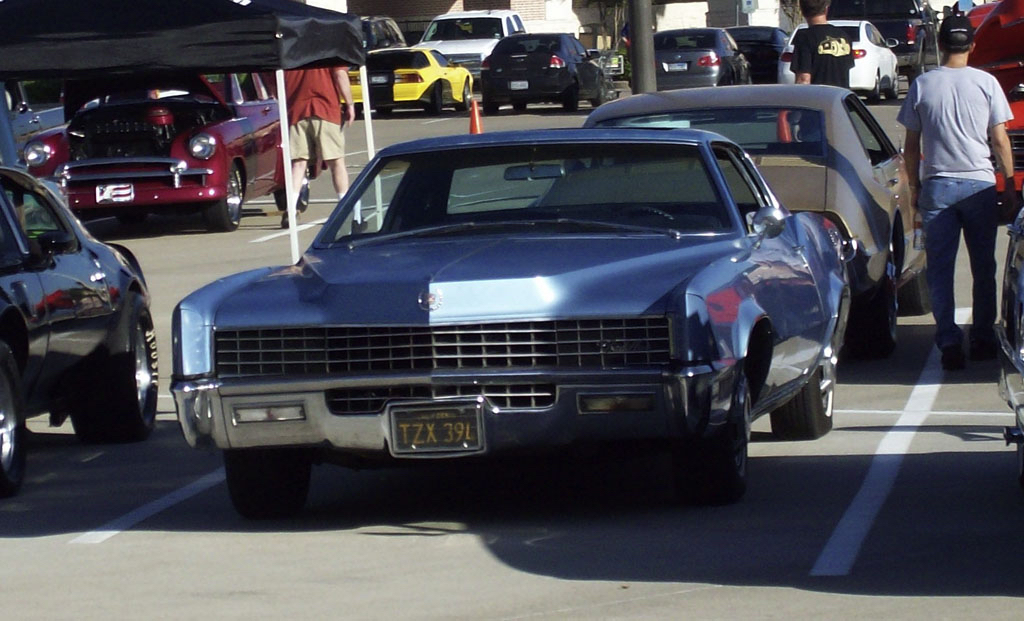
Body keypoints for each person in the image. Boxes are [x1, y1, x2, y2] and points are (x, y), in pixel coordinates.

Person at [896, 10, 1016, 370]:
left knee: (940, 269)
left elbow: (911, 146)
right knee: (983, 267)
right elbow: (1000, 140)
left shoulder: (923, 84)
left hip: (938, 185)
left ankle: (948, 340)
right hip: (979, 185)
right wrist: (1008, 185)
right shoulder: (986, 82)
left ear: (941, 43)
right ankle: (981, 336)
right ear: (973, 45)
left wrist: (913, 190)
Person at [283, 66, 355, 228]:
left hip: (297, 111)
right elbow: (340, 74)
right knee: (336, 163)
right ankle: (345, 209)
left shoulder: (291, 48)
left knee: (299, 163)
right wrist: (349, 103)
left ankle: (290, 210)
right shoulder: (327, 47)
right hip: (325, 108)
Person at [790, 0, 855, 88]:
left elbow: (803, 79)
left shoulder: (804, 38)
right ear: (826, 9)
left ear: (802, 11)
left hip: (818, 98)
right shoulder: (844, 36)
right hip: (839, 97)